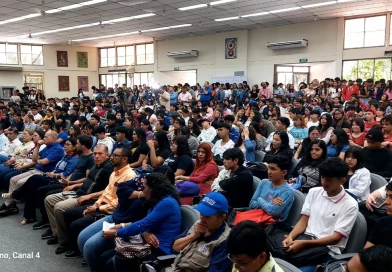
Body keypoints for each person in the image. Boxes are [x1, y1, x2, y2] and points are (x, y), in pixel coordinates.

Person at [55, 147, 136, 256]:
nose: (112, 158)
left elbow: (118, 202)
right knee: (69, 214)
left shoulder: (129, 176)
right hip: (101, 205)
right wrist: (95, 204)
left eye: (115, 156)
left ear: (124, 159)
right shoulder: (115, 172)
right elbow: (106, 193)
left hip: (110, 211)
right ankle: (73, 245)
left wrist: (97, 208)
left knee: (76, 224)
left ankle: (78, 249)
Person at [282, 158, 358, 271]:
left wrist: (304, 243)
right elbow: (303, 221)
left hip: (326, 250)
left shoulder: (350, 204)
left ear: (342, 180)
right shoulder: (314, 192)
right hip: (305, 240)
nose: (324, 183)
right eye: (322, 177)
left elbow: (335, 239)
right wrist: (291, 236)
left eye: (329, 180)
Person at [101, 173, 181, 272]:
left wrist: (116, 233)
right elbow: (145, 224)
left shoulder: (167, 202)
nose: (142, 190)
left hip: (159, 248)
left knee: (110, 263)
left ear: (153, 189)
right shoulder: (157, 200)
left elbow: (143, 224)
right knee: (104, 257)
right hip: (147, 241)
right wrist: (122, 226)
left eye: (144, 187)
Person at [42, 144, 114, 248]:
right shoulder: (96, 165)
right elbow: (88, 179)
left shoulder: (110, 170)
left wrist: (88, 196)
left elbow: (108, 190)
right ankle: (57, 233)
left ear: (107, 155)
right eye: (95, 154)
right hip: (78, 192)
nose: (97, 156)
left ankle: (63, 240)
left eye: (100, 154)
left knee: (59, 207)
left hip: (88, 197)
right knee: (49, 199)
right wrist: (74, 184)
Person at [7, 138, 79, 224]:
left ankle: (16, 195)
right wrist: (51, 172)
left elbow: (66, 174)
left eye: (68, 144)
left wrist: (54, 174)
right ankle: (29, 216)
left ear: (74, 147)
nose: (65, 146)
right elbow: (35, 159)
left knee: (35, 178)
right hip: (50, 175)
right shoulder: (65, 156)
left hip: (57, 180)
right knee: (31, 187)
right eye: (65, 144)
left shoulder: (74, 159)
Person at [32, 135, 95, 230]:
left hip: (76, 187)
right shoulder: (82, 156)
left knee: (46, 192)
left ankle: (53, 225)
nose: (76, 146)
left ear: (83, 146)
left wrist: (70, 183)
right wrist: (67, 181)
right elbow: (75, 171)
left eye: (77, 144)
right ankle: (47, 221)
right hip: (68, 183)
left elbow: (87, 178)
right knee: (42, 190)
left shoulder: (90, 159)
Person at [0, 130, 64, 216]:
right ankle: (10, 205)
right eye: (44, 137)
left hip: (44, 173)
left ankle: (9, 205)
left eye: (46, 137)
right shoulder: (46, 146)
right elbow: (34, 159)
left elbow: (43, 162)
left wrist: (38, 160)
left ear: (53, 138)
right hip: (36, 169)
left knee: (20, 182)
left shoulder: (58, 149)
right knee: (13, 179)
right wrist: (38, 146)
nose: (44, 139)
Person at [170, 192, 233, 272]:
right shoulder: (198, 224)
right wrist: (193, 236)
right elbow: (175, 247)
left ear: (222, 218)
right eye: (201, 214)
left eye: (207, 217)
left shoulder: (225, 241)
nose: (202, 219)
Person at [250, 155, 294, 221]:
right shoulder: (264, 182)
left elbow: (273, 212)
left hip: (271, 225)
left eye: (273, 169)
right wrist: (270, 203)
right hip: (256, 218)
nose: (268, 172)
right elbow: (252, 204)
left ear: (284, 172)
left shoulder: (287, 191)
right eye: (269, 168)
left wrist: (259, 199)